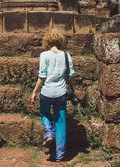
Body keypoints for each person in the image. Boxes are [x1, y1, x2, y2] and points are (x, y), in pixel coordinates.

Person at [31, 29, 75, 162]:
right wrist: (73, 88)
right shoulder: (66, 56)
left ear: (47, 41)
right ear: (60, 41)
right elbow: (71, 75)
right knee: (60, 122)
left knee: (44, 113)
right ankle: (60, 155)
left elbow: (42, 76)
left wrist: (34, 91)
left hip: (46, 92)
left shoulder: (44, 55)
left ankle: (49, 133)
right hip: (61, 93)